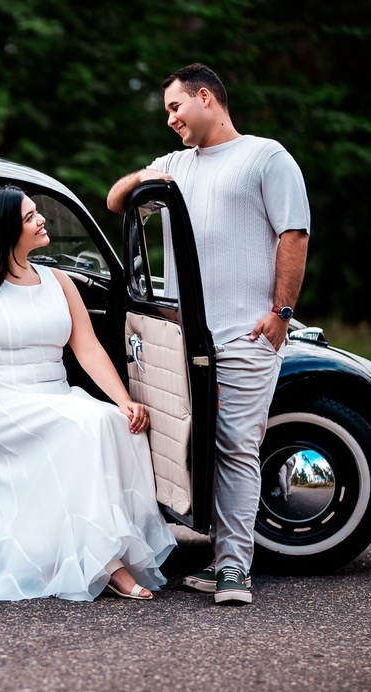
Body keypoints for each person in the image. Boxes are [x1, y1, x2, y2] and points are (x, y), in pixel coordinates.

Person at [0, 184, 175, 602]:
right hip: (0, 405)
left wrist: (124, 400)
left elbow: (88, 348)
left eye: (36, 211)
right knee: (80, 427)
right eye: (29, 217)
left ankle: (108, 550)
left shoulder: (59, 281)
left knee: (114, 423)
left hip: (56, 395)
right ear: (5, 230)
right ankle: (107, 564)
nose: (41, 219)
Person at [106, 62, 311, 605]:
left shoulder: (267, 157)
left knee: (239, 446)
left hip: (247, 334)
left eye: (175, 107)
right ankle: (223, 557)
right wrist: (148, 180)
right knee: (197, 448)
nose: (171, 119)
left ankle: (234, 572)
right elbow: (115, 200)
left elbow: (294, 234)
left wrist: (280, 314)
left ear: (205, 97)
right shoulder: (174, 164)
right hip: (185, 342)